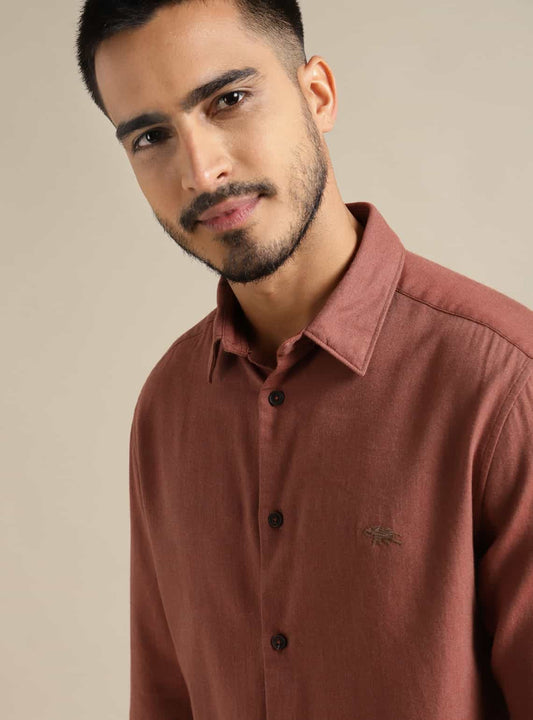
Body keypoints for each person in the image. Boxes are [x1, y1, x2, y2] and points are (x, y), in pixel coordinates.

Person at [75, 1, 533, 718]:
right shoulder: (169, 404)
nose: (201, 171)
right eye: (151, 136)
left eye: (228, 100)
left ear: (316, 94)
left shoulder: (504, 383)